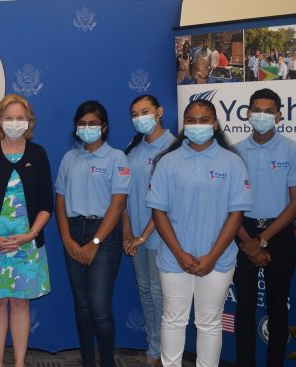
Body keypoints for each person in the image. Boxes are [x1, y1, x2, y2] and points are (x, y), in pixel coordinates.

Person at [147, 99, 251, 367]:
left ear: (215, 124)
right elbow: (158, 212)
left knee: (209, 322)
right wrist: (180, 253)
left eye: (204, 120)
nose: (197, 125)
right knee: (173, 319)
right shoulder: (168, 162)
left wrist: (213, 255)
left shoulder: (233, 162)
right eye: (191, 120)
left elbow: (236, 213)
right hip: (173, 258)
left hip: (218, 260)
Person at [0, 94, 53, 367]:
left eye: (20, 118)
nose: (15, 123)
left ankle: (18, 363)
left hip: (27, 246)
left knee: (20, 304)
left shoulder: (38, 154)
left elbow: (46, 204)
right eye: (9, 118)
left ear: (28, 121)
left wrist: (31, 235)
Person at [55, 100, 130, 367]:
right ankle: (88, 361)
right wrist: (67, 239)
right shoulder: (69, 158)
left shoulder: (116, 158)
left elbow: (118, 203)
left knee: (99, 307)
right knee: (82, 306)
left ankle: (107, 361)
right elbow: (60, 200)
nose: (87, 128)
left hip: (104, 235)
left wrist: (95, 242)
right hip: (74, 231)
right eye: (82, 124)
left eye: (93, 124)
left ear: (104, 127)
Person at [233, 89, 296, 367]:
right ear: (248, 114)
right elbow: (231, 203)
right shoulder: (236, 151)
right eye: (256, 110)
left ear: (279, 115)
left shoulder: (292, 149)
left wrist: (261, 240)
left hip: (278, 231)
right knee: (245, 307)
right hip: (242, 230)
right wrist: (248, 240)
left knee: (278, 308)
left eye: (269, 111)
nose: (262, 116)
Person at [122, 95, 175, 367]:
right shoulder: (132, 150)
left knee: (158, 293)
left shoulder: (173, 146)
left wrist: (143, 236)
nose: (139, 117)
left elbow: (166, 200)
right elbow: (125, 197)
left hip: (159, 237)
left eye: (145, 111)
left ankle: (162, 352)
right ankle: (153, 347)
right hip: (136, 239)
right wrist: (129, 235)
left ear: (159, 112)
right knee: (145, 291)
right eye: (134, 113)